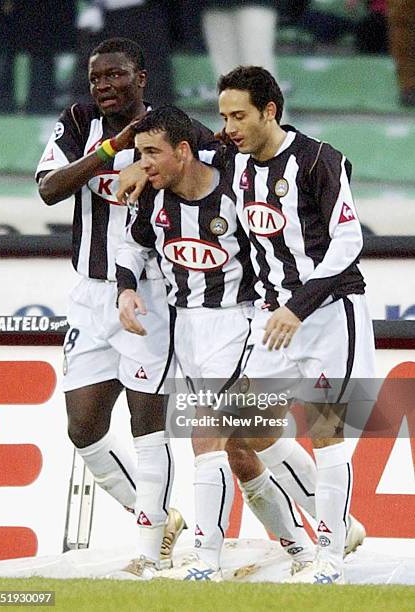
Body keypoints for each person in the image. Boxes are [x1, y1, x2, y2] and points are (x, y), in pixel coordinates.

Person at [116, 105, 316, 580]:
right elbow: (133, 244)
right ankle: (311, 545)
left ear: (183, 151)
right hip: (186, 327)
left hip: (239, 323)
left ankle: (204, 562)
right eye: (139, 154)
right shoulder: (154, 196)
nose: (143, 164)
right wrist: (126, 287)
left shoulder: (235, 186)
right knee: (245, 449)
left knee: (204, 435)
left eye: (151, 153)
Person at [35, 37, 215, 567]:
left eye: (116, 76)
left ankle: (151, 544)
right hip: (90, 293)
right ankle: (157, 514)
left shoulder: (172, 127)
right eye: (96, 78)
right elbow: (48, 189)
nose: (104, 87)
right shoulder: (78, 122)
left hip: (149, 292)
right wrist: (113, 152)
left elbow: (216, 167)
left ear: (141, 78)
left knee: (147, 424)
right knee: (83, 428)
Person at [217, 65, 376, 584]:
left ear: (270, 111)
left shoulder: (319, 160)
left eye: (239, 115)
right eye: (223, 116)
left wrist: (299, 305)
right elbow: (182, 142)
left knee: (327, 434)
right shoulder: (238, 163)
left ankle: (328, 561)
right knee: (244, 432)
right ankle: (341, 526)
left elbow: (348, 242)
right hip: (273, 319)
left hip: (328, 314)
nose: (229, 126)